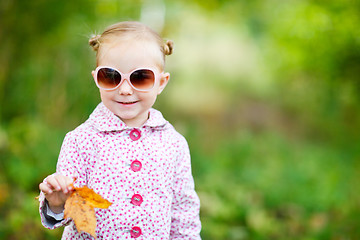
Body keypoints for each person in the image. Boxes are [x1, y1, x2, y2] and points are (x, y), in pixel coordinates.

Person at [38, 21, 201, 239]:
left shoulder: (174, 143)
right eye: (111, 76)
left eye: (141, 78)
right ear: (96, 78)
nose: (124, 90)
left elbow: (184, 215)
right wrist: (57, 203)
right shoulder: (81, 140)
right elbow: (69, 213)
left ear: (161, 82)